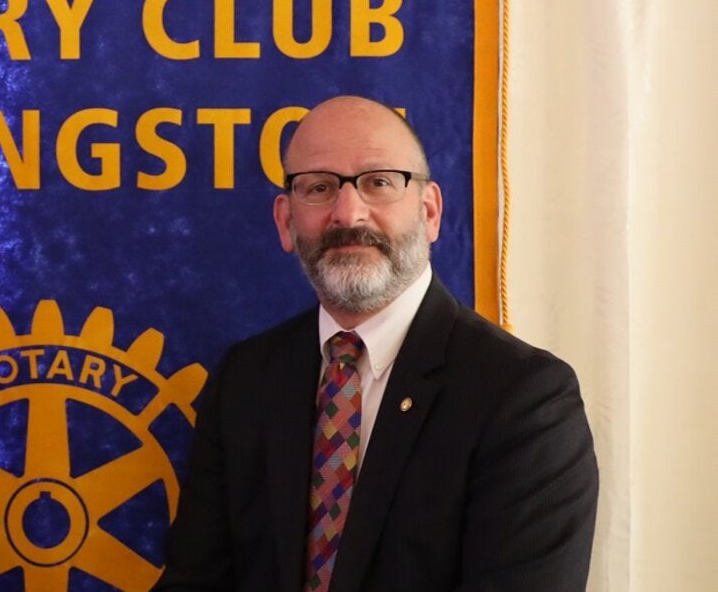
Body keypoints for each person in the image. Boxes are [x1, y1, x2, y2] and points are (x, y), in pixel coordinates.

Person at [157, 96, 598, 591]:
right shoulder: (245, 380)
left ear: (429, 212)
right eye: (319, 187)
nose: (348, 213)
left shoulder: (524, 399)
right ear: (286, 221)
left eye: (379, 182)